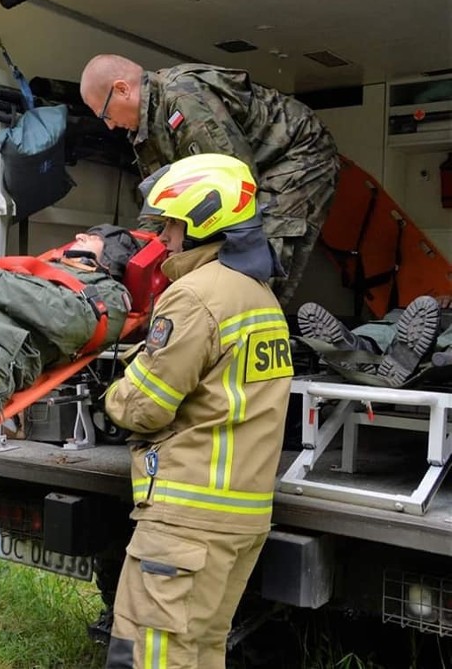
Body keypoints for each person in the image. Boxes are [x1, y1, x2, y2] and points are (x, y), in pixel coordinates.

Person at [102, 153, 293, 669]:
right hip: (240, 516)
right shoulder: (261, 297)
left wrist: (114, 389)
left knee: (150, 656)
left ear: (200, 223)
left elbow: (145, 407)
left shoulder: (194, 296)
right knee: (202, 652)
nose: (163, 239)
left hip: (185, 522)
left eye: (170, 225)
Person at [79, 54, 341, 306]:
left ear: (123, 89)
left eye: (105, 114)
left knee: (257, 252)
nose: (109, 126)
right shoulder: (145, 128)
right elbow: (161, 202)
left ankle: (248, 328)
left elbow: (230, 182)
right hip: (253, 163)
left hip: (297, 154)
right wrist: (144, 248)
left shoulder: (183, 97)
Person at [0, 224, 140, 428]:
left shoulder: (110, 294)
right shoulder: (39, 266)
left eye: (92, 237)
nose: (78, 235)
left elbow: (71, 321)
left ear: (113, 252)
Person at [296, 295, 452, 385]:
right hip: (440, 315)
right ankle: (361, 346)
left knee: (430, 335)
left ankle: (412, 358)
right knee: (394, 321)